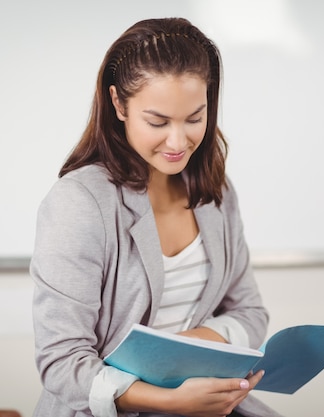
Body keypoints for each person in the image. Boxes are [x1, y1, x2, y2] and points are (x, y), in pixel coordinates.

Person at [30, 17, 282, 417]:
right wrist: (169, 397)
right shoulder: (79, 203)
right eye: (158, 122)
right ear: (118, 104)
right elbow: (62, 362)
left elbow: (250, 314)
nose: (178, 142)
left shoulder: (216, 192)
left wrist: (191, 348)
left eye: (194, 118)